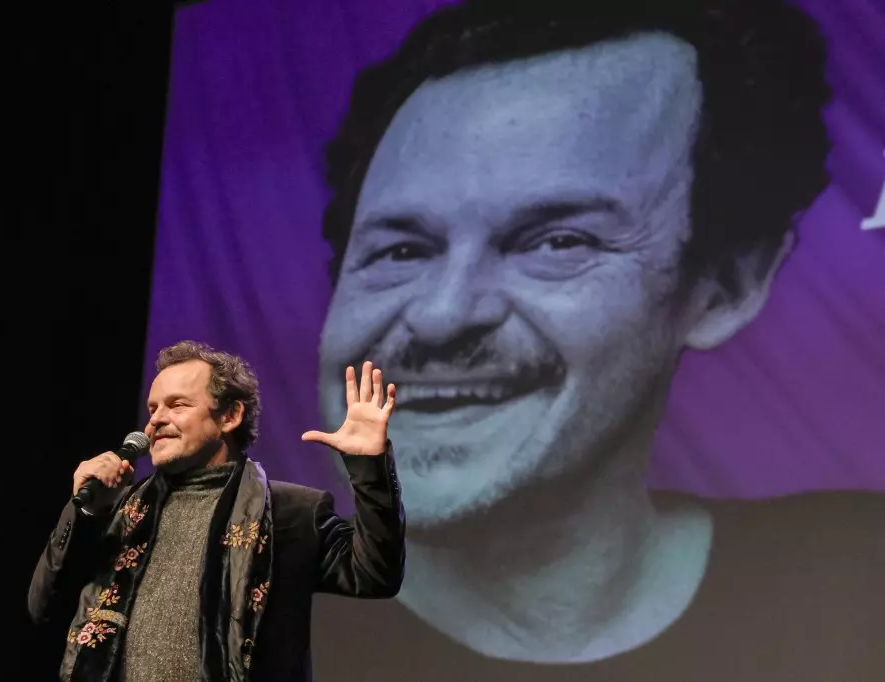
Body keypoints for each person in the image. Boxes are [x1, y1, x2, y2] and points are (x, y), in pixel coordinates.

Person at [312, 0, 883, 679]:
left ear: (727, 286)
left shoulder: (856, 576)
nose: (441, 316)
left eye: (558, 241)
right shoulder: (231, 624)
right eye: (402, 250)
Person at [28, 340, 405, 682]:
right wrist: (86, 515)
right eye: (153, 408)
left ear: (230, 416)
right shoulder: (122, 511)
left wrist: (369, 467)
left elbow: (375, 574)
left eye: (177, 405)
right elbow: (44, 606)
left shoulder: (292, 513)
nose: (156, 419)